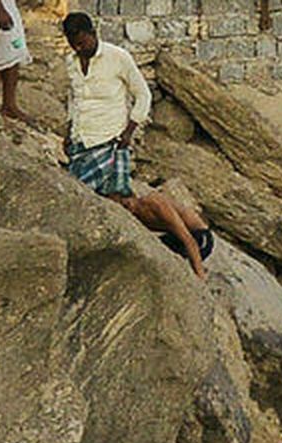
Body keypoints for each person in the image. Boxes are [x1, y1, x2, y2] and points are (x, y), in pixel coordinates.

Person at [61, 12, 150, 198]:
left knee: (114, 200)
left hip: (110, 141)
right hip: (81, 141)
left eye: (82, 43)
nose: (78, 49)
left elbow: (143, 95)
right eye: (73, 45)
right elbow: (74, 97)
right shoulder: (71, 62)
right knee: (76, 196)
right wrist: (69, 130)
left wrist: (128, 133)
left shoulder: (118, 57)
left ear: (93, 33)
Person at [111, 183, 214, 280]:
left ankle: (201, 271)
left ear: (133, 197)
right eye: (124, 209)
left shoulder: (156, 204)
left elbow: (188, 240)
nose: (129, 211)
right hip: (175, 237)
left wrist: (199, 275)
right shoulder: (136, 215)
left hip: (200, 238)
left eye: (127, 205)